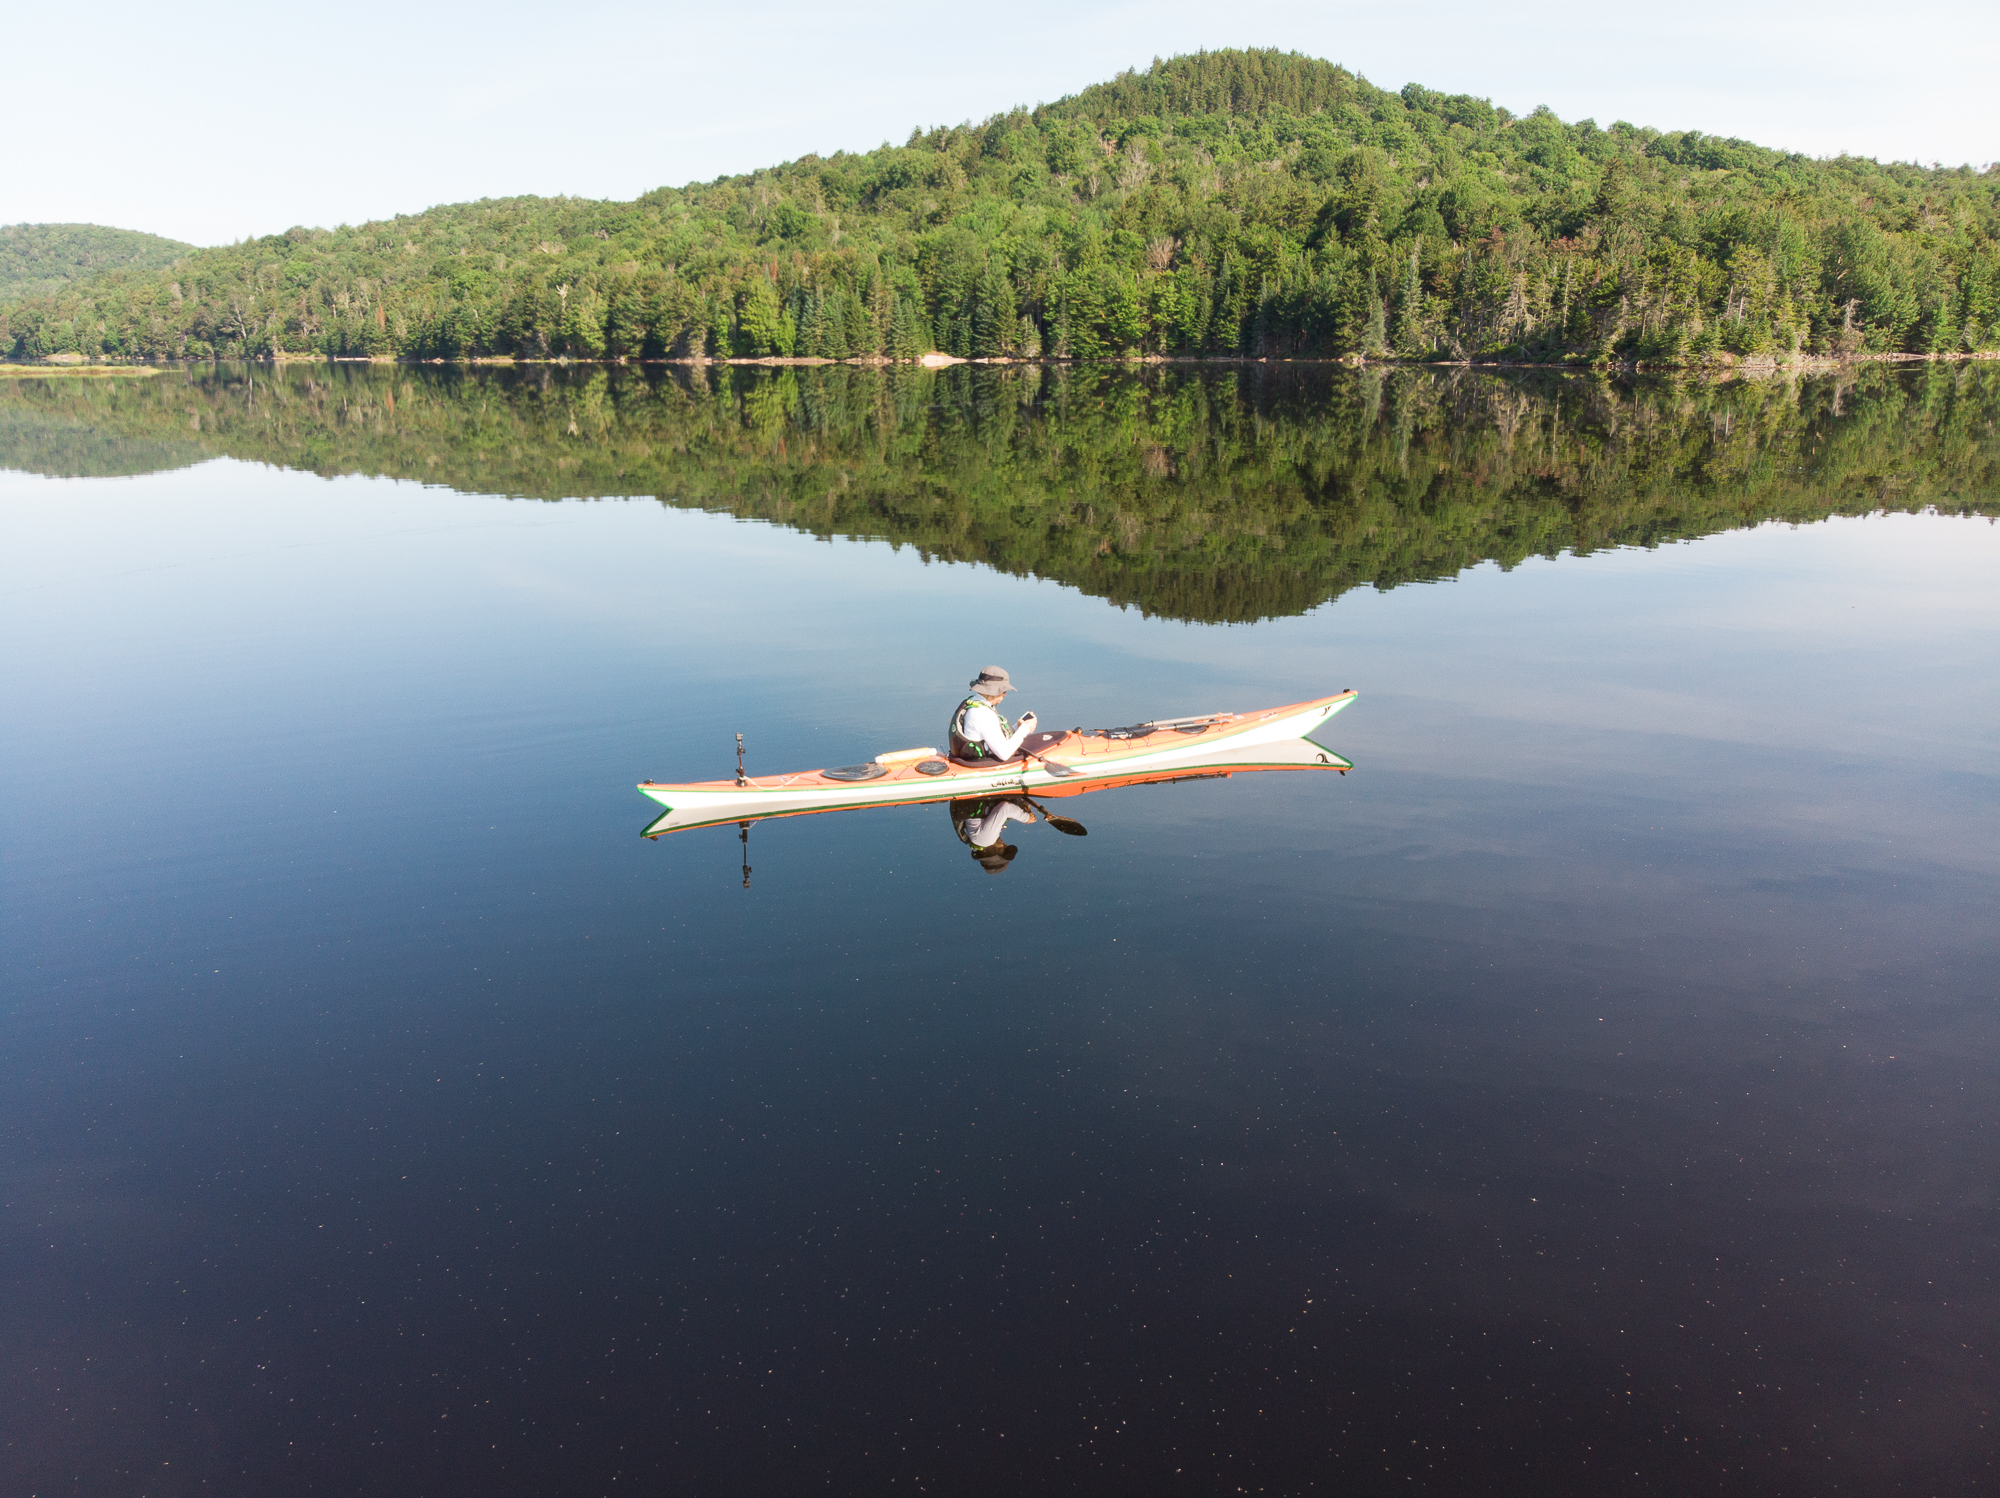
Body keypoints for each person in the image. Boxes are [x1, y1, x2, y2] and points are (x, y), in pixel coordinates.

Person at [949, 665, 1038, 763]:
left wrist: (1017, 727)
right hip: (980, 764)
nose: (1005, 694)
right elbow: (1004, 753)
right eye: (1003, 691)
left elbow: (993, 736)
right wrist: (1025, 729)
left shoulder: (973, 703)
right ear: (992, 691)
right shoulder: (983, 714)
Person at [949, 795, 1037, 874]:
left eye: (1003, 849)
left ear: (993, 852)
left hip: (979, 794)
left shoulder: (986, 840)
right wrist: (1020, 803)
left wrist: (1026, 818)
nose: (1004, 844)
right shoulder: (976, 839)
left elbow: (1005, 808)